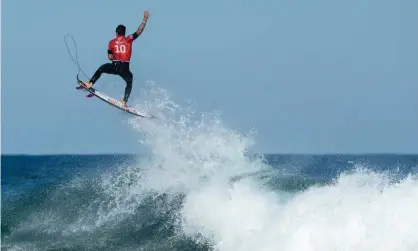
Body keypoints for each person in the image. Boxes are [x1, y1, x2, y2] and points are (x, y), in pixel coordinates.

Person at [83, 10, 150, 108]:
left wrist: (116, 58)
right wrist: (144, 19)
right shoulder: (129, 39)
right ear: (124, 33)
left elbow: (110, 57)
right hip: (125, 68)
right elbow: (139, 32)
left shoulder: (111, 43)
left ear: (116, 33)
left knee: (102, 68)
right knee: (129, 81)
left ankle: (90, 83)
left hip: (115, 66)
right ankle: (124, 102)